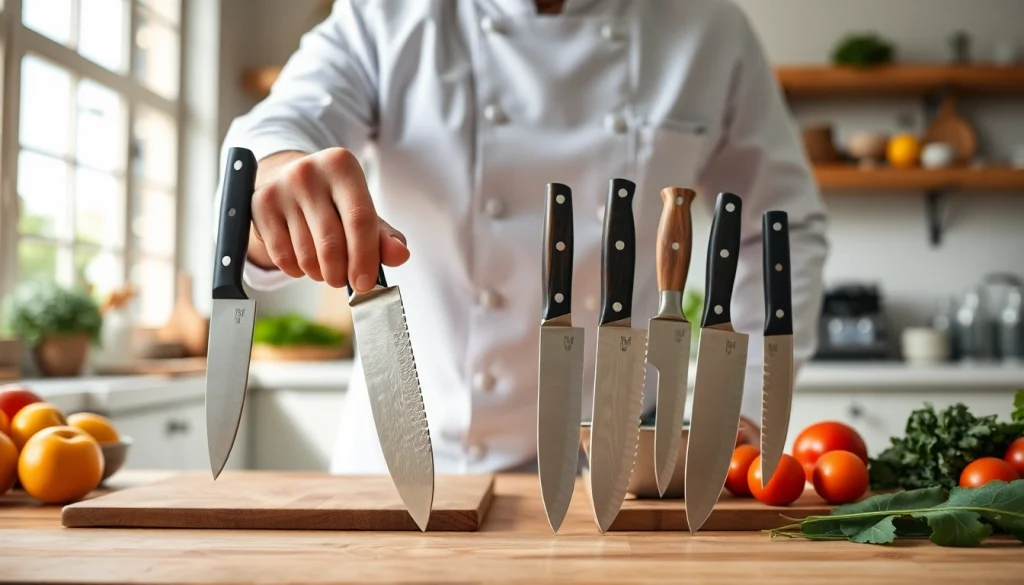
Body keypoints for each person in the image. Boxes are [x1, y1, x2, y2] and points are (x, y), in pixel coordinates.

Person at [217, 0, 829, 475]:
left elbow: (782, 225)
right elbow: (278, 125)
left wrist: (741, 406)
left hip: (622, 468)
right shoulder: (388, 13)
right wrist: (275, 173)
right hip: (408, 455)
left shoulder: (707, 28)